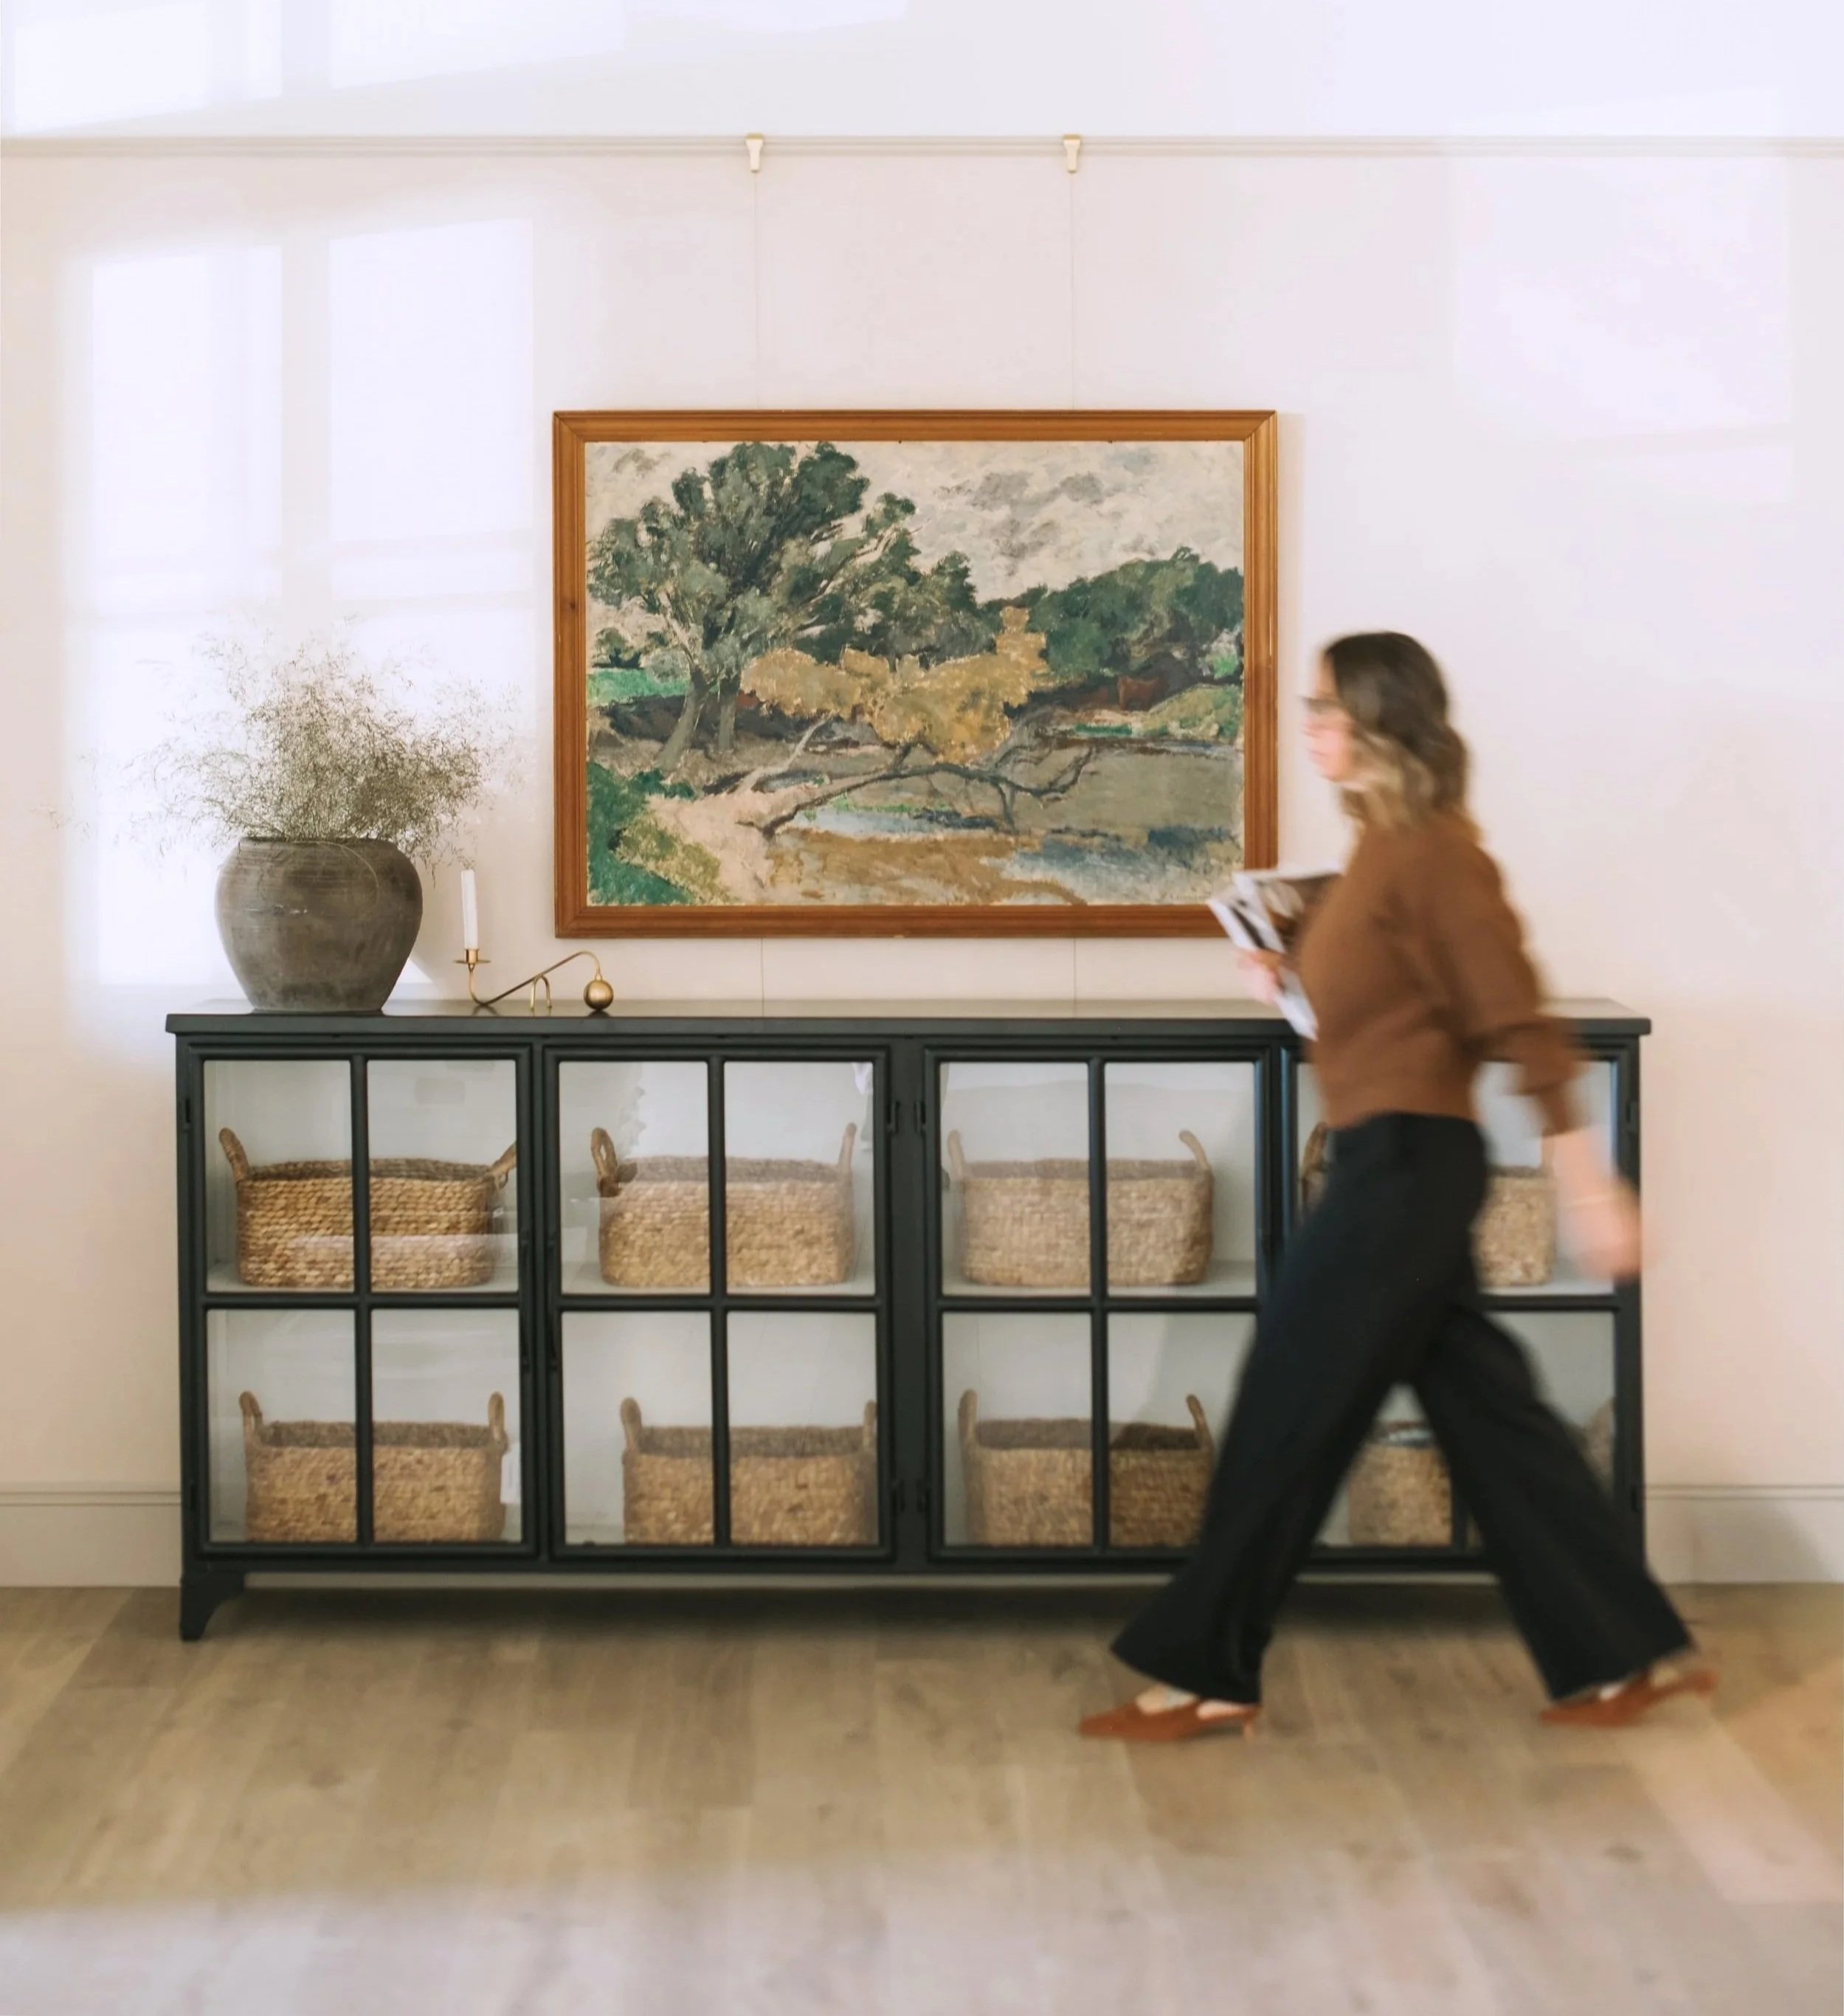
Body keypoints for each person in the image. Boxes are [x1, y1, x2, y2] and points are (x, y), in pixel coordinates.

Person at [1081, 632, 1711, 1743]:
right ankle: (1623, 1655)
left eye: (1328, 705)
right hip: (1393, 1156)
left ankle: (1208, 1669)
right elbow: (1378, 1023)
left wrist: (1590, 1186)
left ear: (1382, 720)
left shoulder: (1435, 856)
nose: (1310, 721)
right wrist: (1285, 969)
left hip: (1410, 1169)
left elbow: (1517, 1020)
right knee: (1494, 1417)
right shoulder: (1373, 852)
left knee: (1288, 1405)